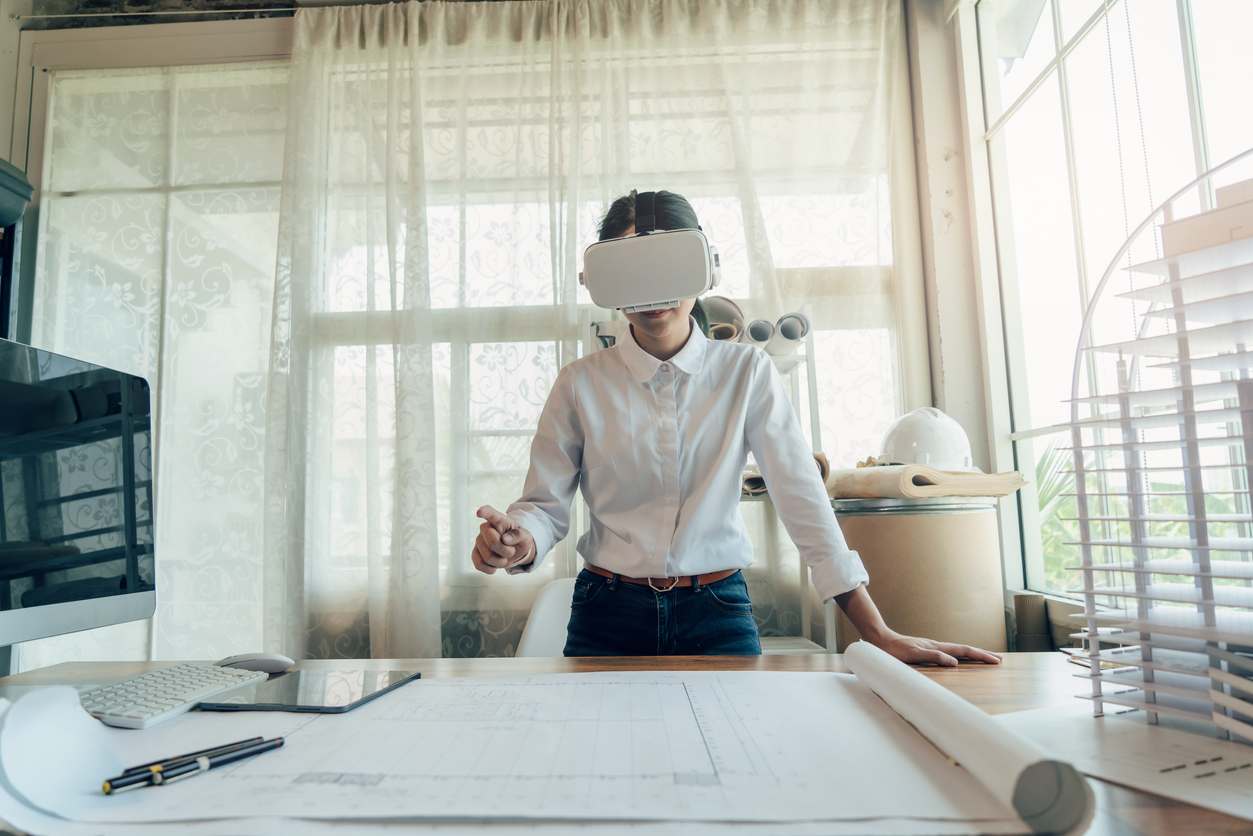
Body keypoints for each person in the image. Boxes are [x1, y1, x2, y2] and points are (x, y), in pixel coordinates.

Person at [472, 189, 1002, 665]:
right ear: (606, 281)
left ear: (704, 267)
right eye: (633, 270)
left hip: (716, 613)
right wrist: (516, 541)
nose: (653, 292)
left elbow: (802, 500)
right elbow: (543, 508)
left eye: (668, 266)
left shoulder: (747, 371)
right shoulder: (578, 384)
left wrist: (877, 632)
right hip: (606, 615)